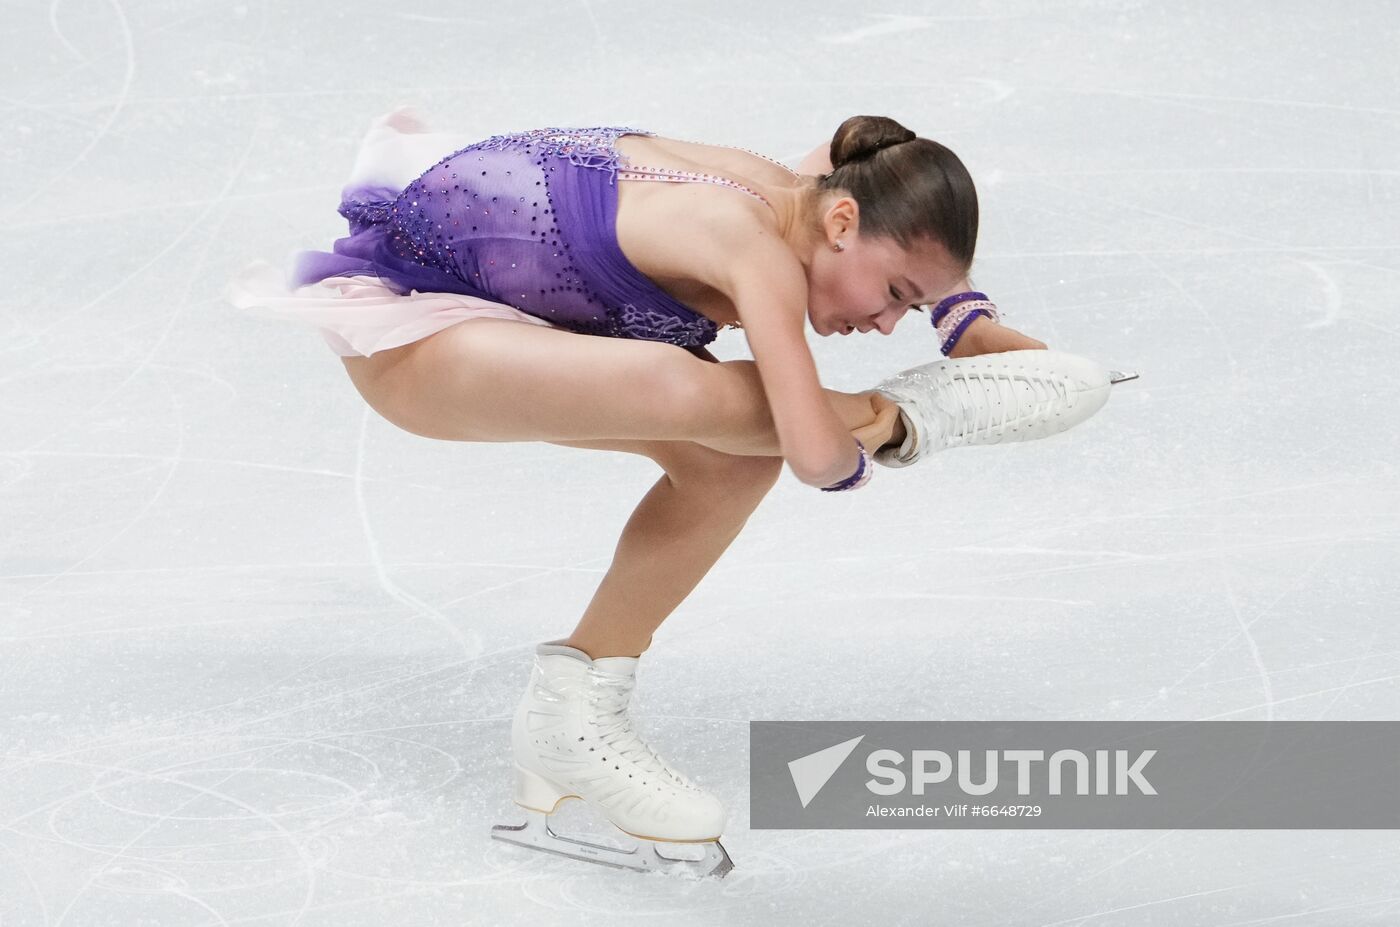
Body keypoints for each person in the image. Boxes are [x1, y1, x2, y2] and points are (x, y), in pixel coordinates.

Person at [225, 106, 1122, 878]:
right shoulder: (759, 251)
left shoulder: (817, 186)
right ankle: (919, 410)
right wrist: (910, 422)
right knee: (707, 394)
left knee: (730, 457)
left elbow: (894, 175)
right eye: (894, 294)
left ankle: (572, 712)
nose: (887, 321)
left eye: (908, 306)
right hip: (419, 349)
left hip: (493, 322)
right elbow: (814, 453)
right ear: (842, 223)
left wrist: (961, 313)